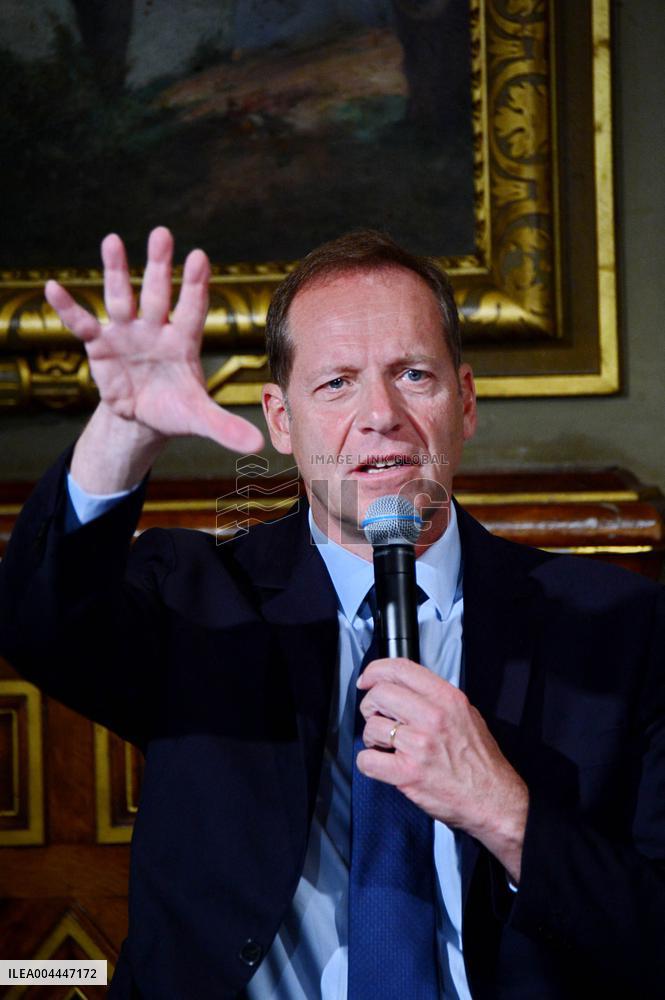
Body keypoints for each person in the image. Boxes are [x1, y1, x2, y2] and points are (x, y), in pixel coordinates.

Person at [1, 227, 664, 999]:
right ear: (282, 422)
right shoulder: (192, 600)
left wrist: (504, 813)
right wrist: (124, 430)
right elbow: (37, 625)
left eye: (412, 374)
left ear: (467, 401)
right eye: (336, 384)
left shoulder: (623, 629)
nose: (379, 414)